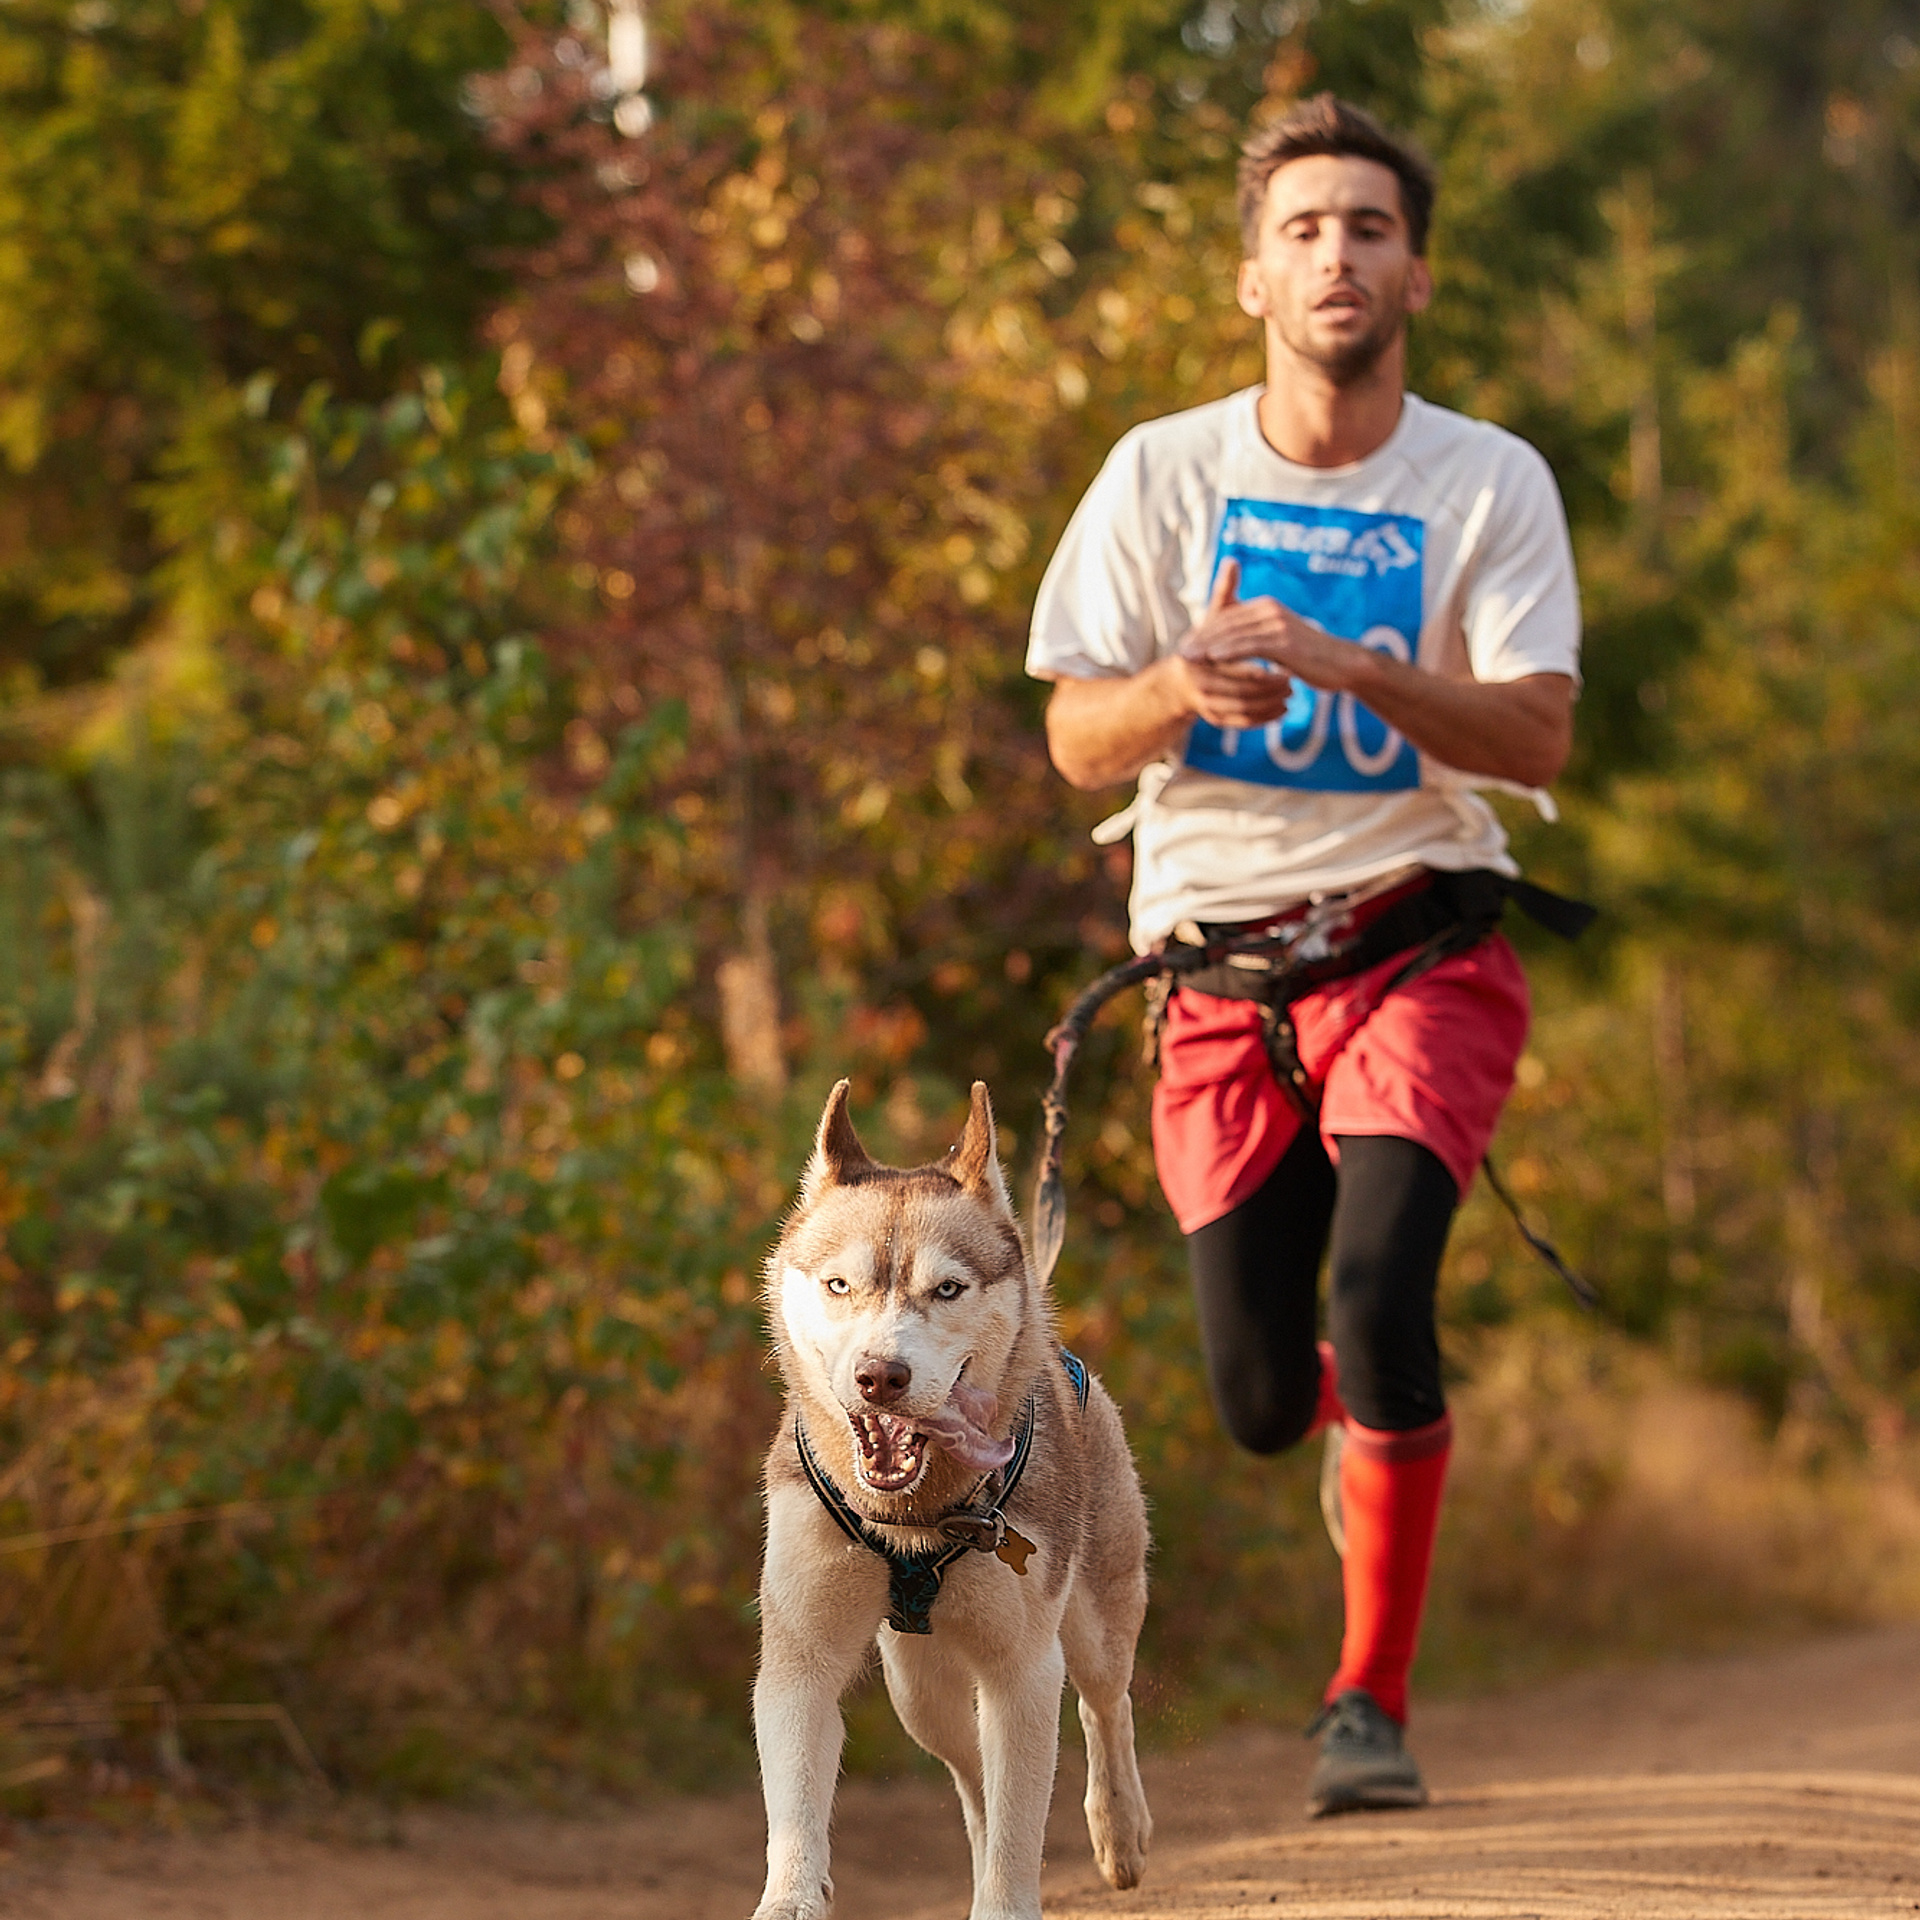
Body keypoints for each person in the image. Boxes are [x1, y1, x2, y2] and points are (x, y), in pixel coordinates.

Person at [1026, 93, 1580, 1816]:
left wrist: (1357, 665)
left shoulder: (1487, 479)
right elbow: (1072, 738)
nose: (1338, 254)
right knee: (1268, 1399)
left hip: (1419, 943)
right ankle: (1364, 1430)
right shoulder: (1162, 473)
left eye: (1370, 228)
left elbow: (1540, 739)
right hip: (1218, 977)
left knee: (1381, 1290)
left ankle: (1368, 1703)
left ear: (1417, 271)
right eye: (1305, 229)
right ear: (1253, 275)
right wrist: (1178, 690)